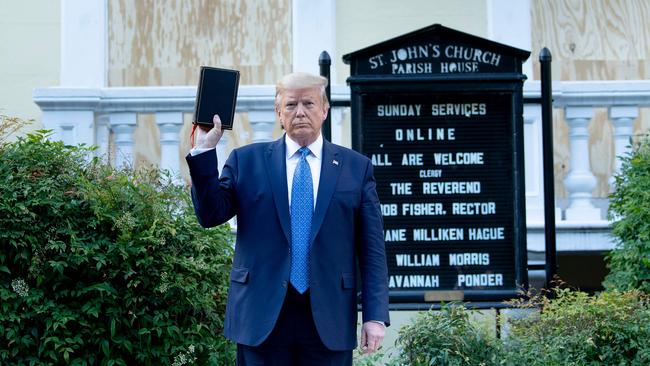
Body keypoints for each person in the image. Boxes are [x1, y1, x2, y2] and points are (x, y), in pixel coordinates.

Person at [186, 72, 389, 366]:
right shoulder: (247, 161)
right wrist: (206, 150)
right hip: (261, 315)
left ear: (325, 110)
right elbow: (210, 215)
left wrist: (374, 315)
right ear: (278, 112)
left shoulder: (355, 168)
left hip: (329, 316)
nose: (301, 112)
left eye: (309, 103)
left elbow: (372, 250)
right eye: (291, 105)